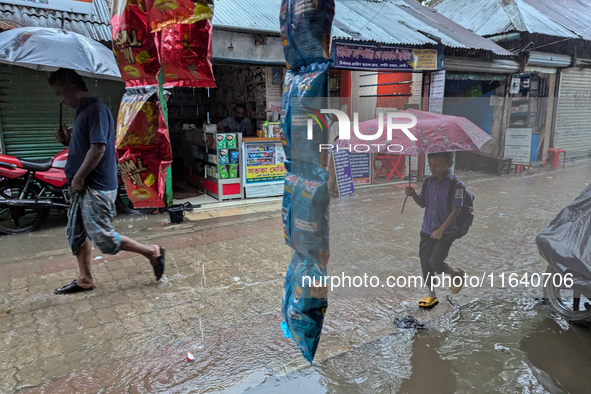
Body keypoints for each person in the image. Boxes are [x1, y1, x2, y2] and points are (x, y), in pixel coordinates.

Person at [49, 68, 165, 295]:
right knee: (77, 234)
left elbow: (99, 148)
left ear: (71, 87)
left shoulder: (96, 110)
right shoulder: (83, 112)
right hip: (82, 187)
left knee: (103, 237)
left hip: (95, 186)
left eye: (60, 93)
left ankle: (153, 252)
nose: (61, 99)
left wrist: (80, 178)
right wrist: (69, 140)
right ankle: (85, 279)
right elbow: (85, 145)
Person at [405, 152, 466, 308]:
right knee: (426, 263)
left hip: (446, 231)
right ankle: (431, 293)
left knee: (436, 262)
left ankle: (456, 274)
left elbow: (455, 212)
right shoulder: (427, 181)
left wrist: (440, 230)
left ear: (449, 163)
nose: (432, 168)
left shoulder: (456, 185)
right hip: (427, 229)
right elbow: (423, 203)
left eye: (437, 165)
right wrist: (413, 195)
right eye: (430, 164)